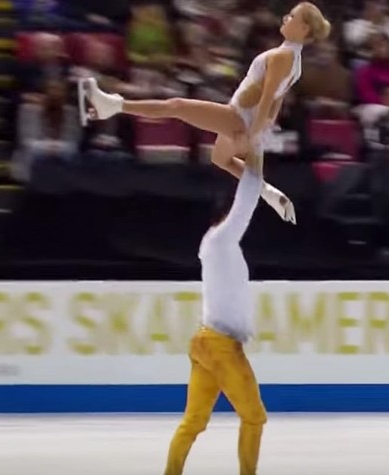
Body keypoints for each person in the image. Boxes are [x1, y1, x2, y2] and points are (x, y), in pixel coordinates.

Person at [84, 2, 333, 225]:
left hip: (241, 116)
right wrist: (265, 126)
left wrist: (254, 132)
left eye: (291, 17)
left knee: (177, 106)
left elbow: (270, 96)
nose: (285, 19)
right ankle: (273, 195)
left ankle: (112, 105)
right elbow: (278, 98)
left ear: (304, 30)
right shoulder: (295, 62)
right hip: (248, 118)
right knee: (222, 159)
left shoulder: (282, 56)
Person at [164, 148, 266, 475]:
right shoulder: (222, 239)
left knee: (193, 421)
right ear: (224, 217)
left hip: (205, 340)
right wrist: (257, 147)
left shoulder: (216, 246)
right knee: (254, 417)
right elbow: (248, 198)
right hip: (221, 346)